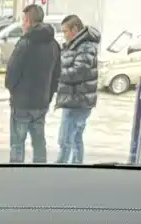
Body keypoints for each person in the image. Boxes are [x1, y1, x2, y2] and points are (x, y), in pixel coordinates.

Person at [4, 4, 61, 164]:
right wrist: (48, 97)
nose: (22, 24)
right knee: (39, 142)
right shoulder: (54, 45)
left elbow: (11, 73)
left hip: (22, 104)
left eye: (23, 20)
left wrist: (13, 91)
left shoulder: (25, 43)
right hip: (41, 103)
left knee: (17, 144)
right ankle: (40, 172)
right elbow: (56, 76)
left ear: (29, 21)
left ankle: (16, 173)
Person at [55, 15, 100, 164]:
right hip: (77, 99)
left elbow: (78, 72)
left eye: (65, 31)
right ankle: (77, 166)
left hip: (77, 100)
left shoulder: (85, 46)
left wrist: (56, 74)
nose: (64, 35)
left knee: (65, 140)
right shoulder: (76, 45)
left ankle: (61, 168)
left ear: (75, 29)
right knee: (75, 138)